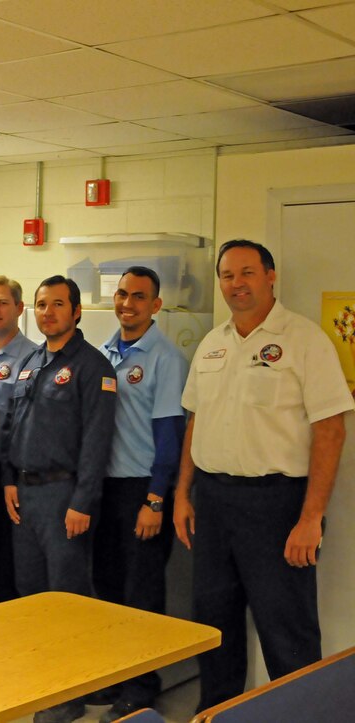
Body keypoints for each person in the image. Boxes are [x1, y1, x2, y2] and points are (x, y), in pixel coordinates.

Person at [173, 240, 352, 712]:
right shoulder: (212, 344)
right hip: (213, 503)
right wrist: (181, 495)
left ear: (271, 276)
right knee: (213, 624)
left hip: (277, 506)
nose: (237, 284)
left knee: (286, 629)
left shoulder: (305, 340)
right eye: (228, 275)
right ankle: (217, 714)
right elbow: (196, 422)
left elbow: (331, 432)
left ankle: (303, 716)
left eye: (247, 273)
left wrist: (311, 517)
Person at [3, 275, 117, 723]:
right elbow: (13, 423)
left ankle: (69, 695)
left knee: (66, 599)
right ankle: (41, 683)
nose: (48, 312)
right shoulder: (31, 360)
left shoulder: (93, 367)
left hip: (63, 495)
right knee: (31, 596)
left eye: (57, 305)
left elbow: (97, 438)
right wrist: (9, 478)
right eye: (41, 305)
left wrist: (83, 501)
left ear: (76, 312)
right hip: (25, 494)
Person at [92, 267, 188, 722]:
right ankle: (115, 675)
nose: (127, 303)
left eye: (139, 297)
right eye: (122, 294)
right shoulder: (105, 353)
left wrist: (156, 499)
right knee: (108, 590)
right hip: (104, 488)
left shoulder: (165, 358)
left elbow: (170, 434)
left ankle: (143, 686)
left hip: (142, 490)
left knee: (142, 596)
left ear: (156, 305)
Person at [0, 275, 38, 605]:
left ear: (18, 308)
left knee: (7, 563)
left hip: (8, 474)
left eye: (1, 302)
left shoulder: (33, 359)